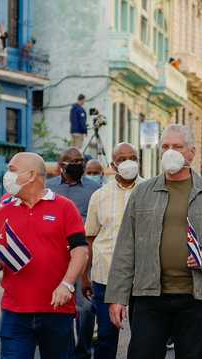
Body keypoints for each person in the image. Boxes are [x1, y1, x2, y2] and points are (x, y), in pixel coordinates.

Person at [104, 124, 202, 358]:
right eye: (166, 146)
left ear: (191, 152)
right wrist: (117, 297)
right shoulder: (143, 192)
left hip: (196, 297)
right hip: (149, 296)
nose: (171, 152)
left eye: (177, 147)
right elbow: (125, 247)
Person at [0, 152, 88, 359]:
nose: (7, 176)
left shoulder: (64, 207)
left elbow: (81, 250)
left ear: (31, 175)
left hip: (57, 310)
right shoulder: (5, 210)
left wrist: (67, 284)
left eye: (12, 170)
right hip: (15, 312)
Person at [83, 143, 144, 359]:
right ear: (113, 164)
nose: (128, 162)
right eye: (122, 158)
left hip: (142, 278)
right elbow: (89, 237)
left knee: (144, 339)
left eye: (133, 157)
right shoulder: (99, 196)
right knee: (107, 338)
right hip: (105, 276)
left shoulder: (151, 190)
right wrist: (85, 276)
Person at [47, 147, 100, 359]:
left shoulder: (94, 189)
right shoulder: (48, 188)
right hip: (54, 257)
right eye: (72, 160)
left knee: (86, 308)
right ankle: (63, 349)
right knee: (57, 306)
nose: (77, 163)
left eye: (80, 160)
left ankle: (83, 350)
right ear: (61, 164)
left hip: (84, 257)